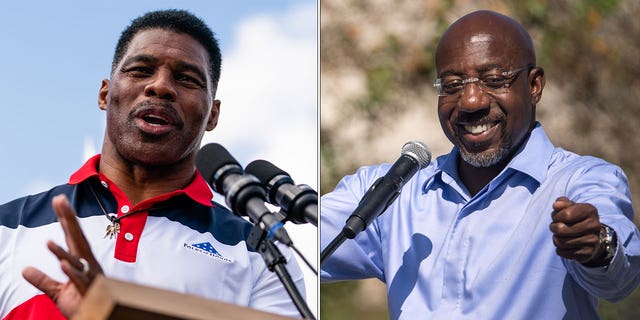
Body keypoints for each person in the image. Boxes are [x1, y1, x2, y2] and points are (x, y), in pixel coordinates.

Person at [320, 10, 640, 319]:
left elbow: (619, 279)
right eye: (453, 85)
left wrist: (599, 246)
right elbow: (293, 244)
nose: (471, 100)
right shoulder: (392, 194)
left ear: (534, 86)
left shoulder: (580, 181)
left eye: (494, 79)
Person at [0, 9, 304, 319]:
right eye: (141, 70)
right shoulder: (7, 228)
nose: (161, 86)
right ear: (105, 93)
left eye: (186, 79)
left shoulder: (261, 254)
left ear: (212, 114)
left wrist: (109, 312)